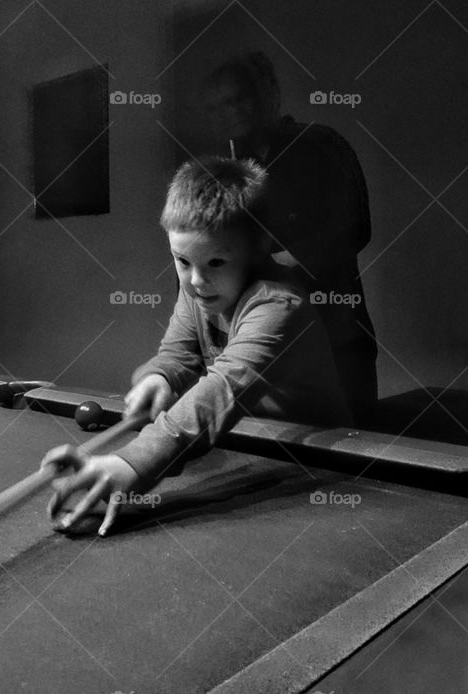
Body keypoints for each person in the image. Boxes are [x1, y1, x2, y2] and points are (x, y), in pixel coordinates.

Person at [42, 157, 351, 536]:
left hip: (321, 459)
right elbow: (179, 354)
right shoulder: (197, 292)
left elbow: (220, 388)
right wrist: (160, 378)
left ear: (258, 249)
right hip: (248, 444)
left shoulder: (278, 305)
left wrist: (131, 463)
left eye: (216, 262)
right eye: (182, 261)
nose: (196, 280)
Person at [203, 51, 378, 424]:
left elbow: (356, 228)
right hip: (267, 356)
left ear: (268, 95)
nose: (227, 112)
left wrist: (269, 268)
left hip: (339, 345)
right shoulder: (229, 176)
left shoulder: (320, 144)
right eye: (216, 106)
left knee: (352, 465)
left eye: (236, 99)